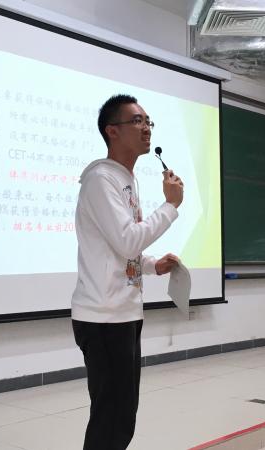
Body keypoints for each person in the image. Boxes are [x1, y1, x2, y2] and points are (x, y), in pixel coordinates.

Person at [71, 94, 184, 450]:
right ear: (112, 131)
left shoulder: (126, 179)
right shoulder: (101, 179)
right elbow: (126, 240)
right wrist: (170, 206)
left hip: (124, 312)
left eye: (148, 121)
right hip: (103, 316)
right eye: (137, 121)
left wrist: (151, 265)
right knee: (111, 419)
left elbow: (121, 246)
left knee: (121, 417)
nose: (146, 128)